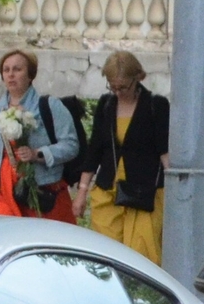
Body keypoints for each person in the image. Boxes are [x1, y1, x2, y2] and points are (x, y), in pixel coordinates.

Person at [73, 50, 171, 265]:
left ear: (138, 78)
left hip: (144, 193)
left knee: (141, 256)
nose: (117, 92)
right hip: (108, 188)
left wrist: (175, 192)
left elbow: (164, 150)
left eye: (123, 87)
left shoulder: (157, 105)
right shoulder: (106, 104)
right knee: (106, 256)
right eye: (112, 86)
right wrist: (81, 193)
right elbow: (95, 150)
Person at [0, 48, 78, 222]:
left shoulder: (50, 106)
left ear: (30, 75)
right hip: (0, 193)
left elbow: (71, 145)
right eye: (6, 70)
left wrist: (38, 154)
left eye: (17, 69)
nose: (11, 75)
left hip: (40, 191)